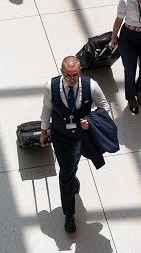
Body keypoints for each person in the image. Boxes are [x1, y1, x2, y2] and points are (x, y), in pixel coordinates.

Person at [39, 56, 110, 233]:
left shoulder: (91, 85)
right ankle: (69, 214)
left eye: (76, 75)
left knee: (73, 163)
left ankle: (73, 174)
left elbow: (105, 107)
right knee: (65, 173)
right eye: (68, 75)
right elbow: (46, 108)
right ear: (62, 72)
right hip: (60, 135)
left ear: (80, 72)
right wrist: (43, 131)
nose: (72, 79)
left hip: (81, 135)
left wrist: (91, 120)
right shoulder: (51, 87)